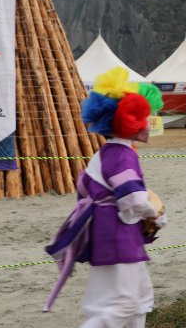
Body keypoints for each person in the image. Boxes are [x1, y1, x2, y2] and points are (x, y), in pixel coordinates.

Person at [43, 66, 165, 326]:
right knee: (120, 305)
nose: (147, 123)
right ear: (129, 120)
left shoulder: (106, 153)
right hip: (117, 236)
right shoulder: (122, 155)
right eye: (142, 116)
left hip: (110, 232)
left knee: (138, 299)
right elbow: (131, 198)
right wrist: (155, 213)